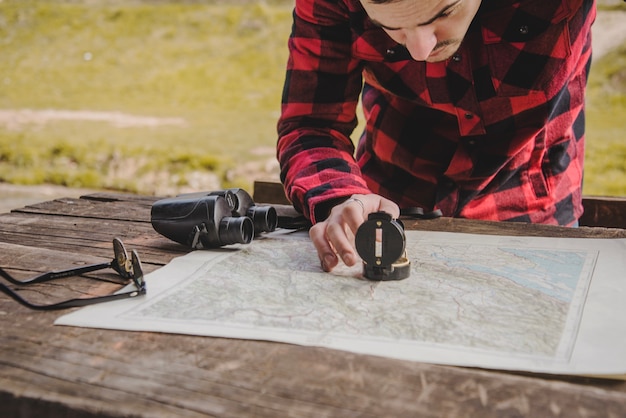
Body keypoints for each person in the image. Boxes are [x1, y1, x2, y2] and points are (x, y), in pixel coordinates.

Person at [276, 0, 596, 271]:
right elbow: (311, 126)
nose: (420, 50)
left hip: (532, 219)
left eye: (444, 13)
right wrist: (341, 199)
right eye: (391, 28)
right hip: (390, 215)